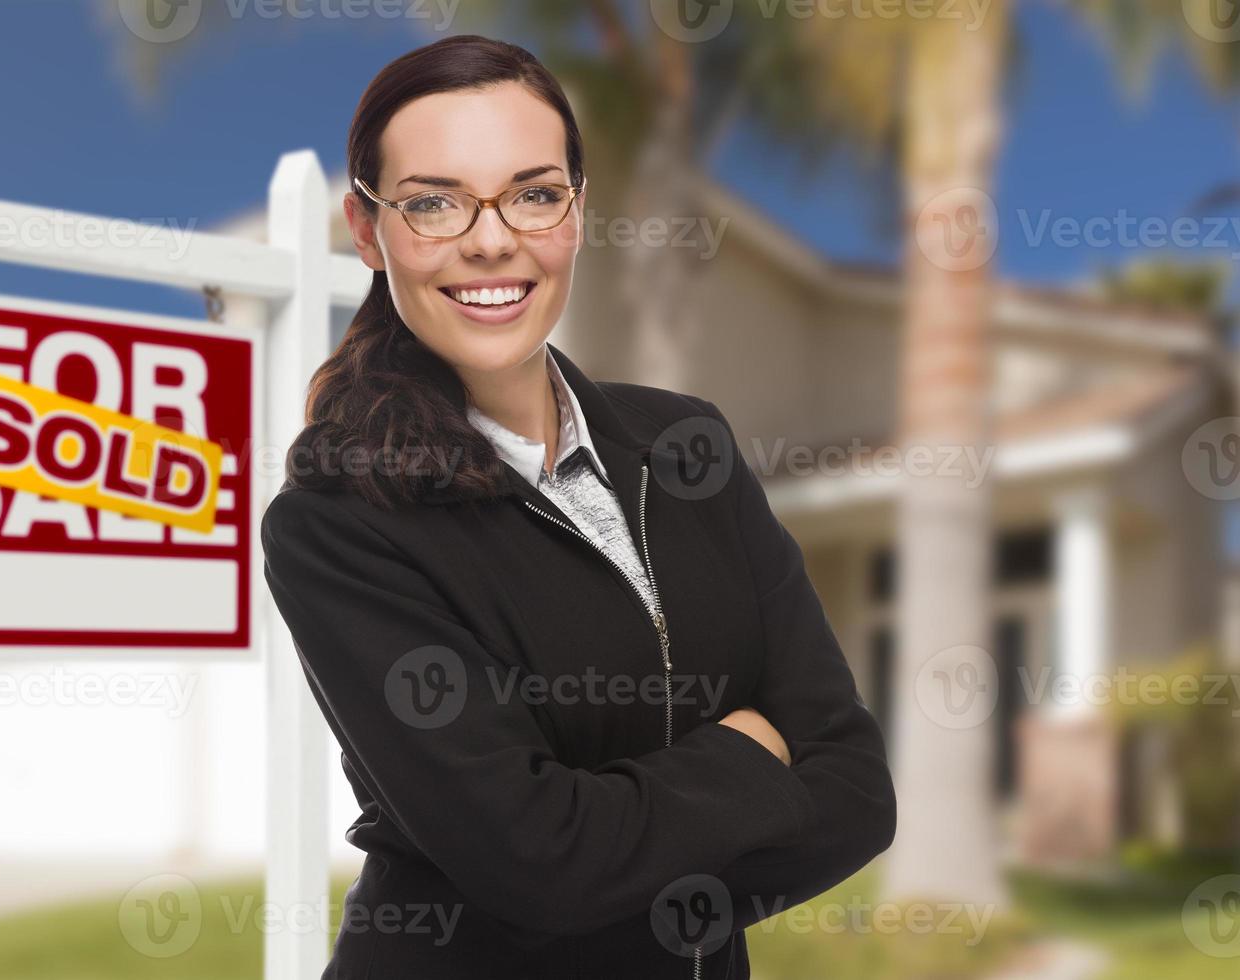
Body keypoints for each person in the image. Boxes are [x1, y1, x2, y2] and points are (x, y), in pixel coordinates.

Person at [260, 33, 896, 980]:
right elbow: (539, 864)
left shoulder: (689, 448)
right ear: (367, 230)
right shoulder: (338, 523)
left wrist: (618, 865)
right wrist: (753, 752)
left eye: (534, 192)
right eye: (433, 202)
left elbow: (853, 788)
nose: (490, 238)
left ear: (577, 211)